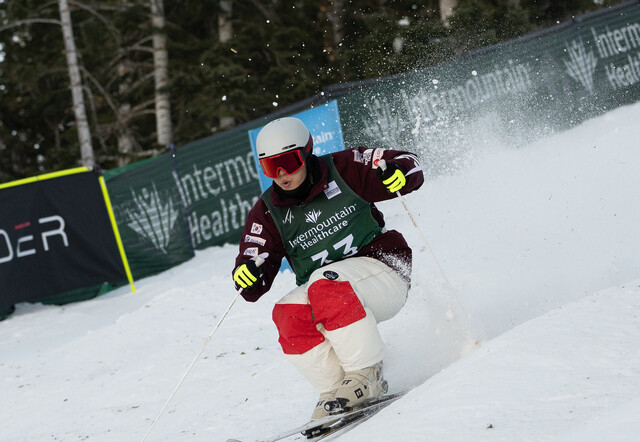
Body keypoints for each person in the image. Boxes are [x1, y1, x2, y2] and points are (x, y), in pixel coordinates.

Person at [232, 117, 424, 420]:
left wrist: (401, 174)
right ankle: (337, 390)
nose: (281, 175)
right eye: (271, 167)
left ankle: (366, 374)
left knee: (323, 282)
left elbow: (406, 162)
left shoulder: (345, 168)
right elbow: (253, 269)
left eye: (288, 162)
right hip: (332, 299)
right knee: (287, 311)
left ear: (307, 152)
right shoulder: (268, 211)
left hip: (385, 272)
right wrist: (247, 273)